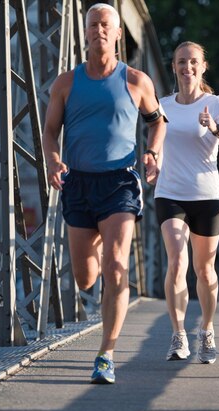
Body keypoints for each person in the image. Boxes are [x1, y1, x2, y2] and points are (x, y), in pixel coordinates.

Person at [42, 3, 166, 384]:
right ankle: (94, 248)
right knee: (85, 278)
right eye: (93, 23)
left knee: (116, 268)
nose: (99, 29)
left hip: (120, 184)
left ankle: (106, 353)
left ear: (117, 34)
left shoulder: (137, 80)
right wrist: (52, 160)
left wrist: (152, 151)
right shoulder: (66, 82)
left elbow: (157, 121)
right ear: (85, 32)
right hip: (78, 184)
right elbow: (49, 132)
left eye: (105, 24)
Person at [154, 41, 219, 364]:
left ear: (203, 66)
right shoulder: (162, 106)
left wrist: (216, 129)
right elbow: (158, 144)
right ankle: (178, 335)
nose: (187, 67)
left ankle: (206, 329)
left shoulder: (217, 105)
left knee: (204, 271)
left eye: (193, 62)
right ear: (174, 66)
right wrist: (153, 162)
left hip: (207, 196)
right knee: (177, 262)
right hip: (169, 193)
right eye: (181, 62)